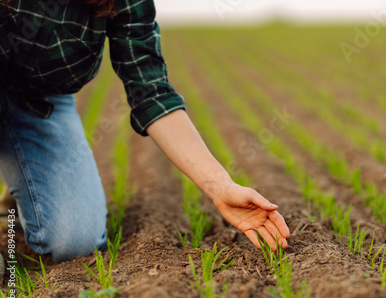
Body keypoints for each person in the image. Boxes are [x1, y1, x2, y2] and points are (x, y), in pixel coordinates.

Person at [0, 0, 289, 263]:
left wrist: (221, 186)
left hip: (40, 102)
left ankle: (22, 186)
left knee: (74, 242)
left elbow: (151, 92)